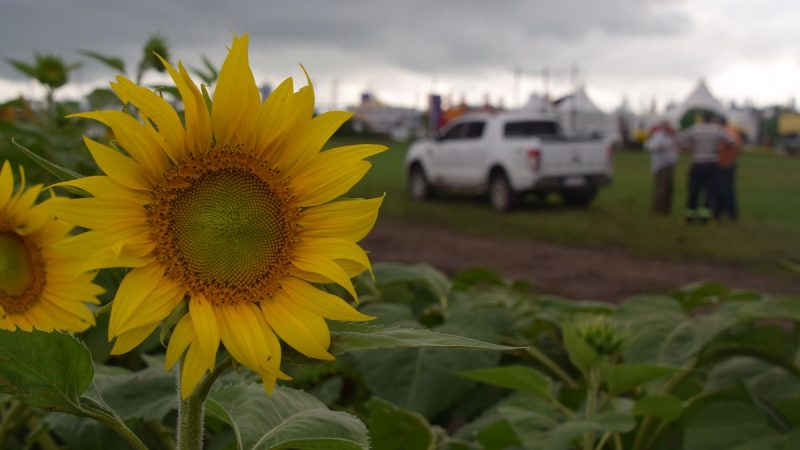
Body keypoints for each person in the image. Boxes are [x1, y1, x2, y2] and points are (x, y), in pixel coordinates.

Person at [678, 113, 733, 224]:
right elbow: (730, 141)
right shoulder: (716, 130)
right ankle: (704, 218)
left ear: (702, 119)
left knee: (693, 190)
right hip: (712, 163)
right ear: (711, 120)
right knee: (709, 191)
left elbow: (680, 139)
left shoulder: (695, 129)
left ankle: (689, 216)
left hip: (697, 162)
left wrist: (690, 147)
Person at [645, 121, 679, 215]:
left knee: (669, 187)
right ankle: (657, 208)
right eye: (668, 126)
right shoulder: (659, 135)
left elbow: (676, 145)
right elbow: (651, 146)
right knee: (661, 187)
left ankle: (666, 209)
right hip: (661, 165)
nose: (670, 128)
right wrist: (662, 147)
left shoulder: (672, 136)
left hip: (670, 164)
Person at [716, 122, 742, 221]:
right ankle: (732, 213)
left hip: (722, 163)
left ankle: (720, 212)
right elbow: (738, 148)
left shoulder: (722, 132)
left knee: (721, 190)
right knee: (729, 189)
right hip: (730, 163)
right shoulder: (733, 131)